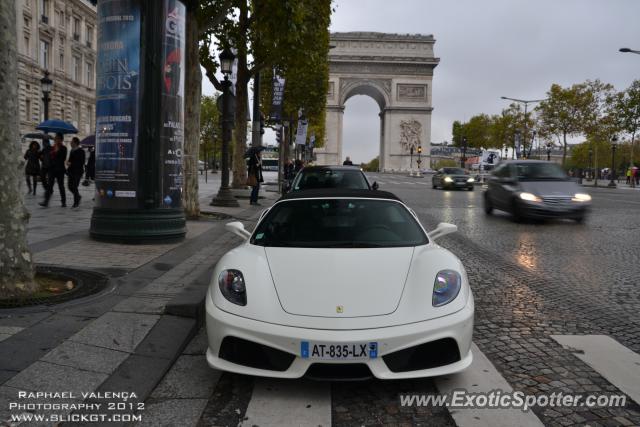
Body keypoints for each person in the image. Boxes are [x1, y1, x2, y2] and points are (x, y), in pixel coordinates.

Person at [39, 134, 67, 207]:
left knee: (61, 186)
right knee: (49, 186)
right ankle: (46, 202)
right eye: (55, 139)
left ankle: (63, 202)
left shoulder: (64, 148)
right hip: (52, 169)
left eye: (57, 139)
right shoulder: (52, 148)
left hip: (60, 170)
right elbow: (49, 158)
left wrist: (57, 151)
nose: (55, 140)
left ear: (61, 140)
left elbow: (62, 158)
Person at [66, 137, 86, 208]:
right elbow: (70, 160)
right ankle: (78, 196)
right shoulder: (72, 150)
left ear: (75, 143)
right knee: (69, 186)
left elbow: (82, 162)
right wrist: (68, 163)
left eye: (72, 141)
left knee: (74, 186)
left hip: (78, 171)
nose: (70, 143)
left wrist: (71, 163)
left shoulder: (81, 151)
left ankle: (76, 202)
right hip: (71, 171)